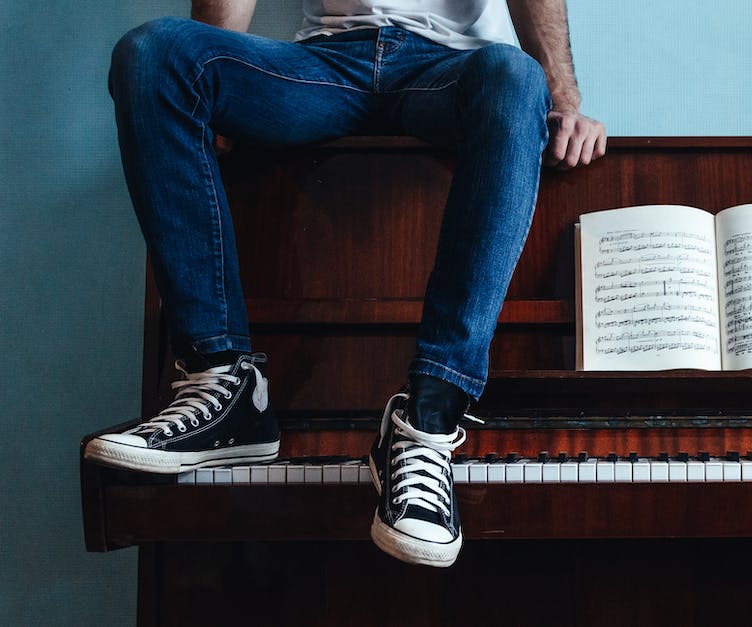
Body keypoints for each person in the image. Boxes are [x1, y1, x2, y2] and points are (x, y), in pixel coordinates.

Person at [83, 0, 606, 568]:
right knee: (155, 53)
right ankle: (224, 387)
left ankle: (429, 421)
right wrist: (203, 102)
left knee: (515, 78)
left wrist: (563, 101)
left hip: (455, 70)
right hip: (322, 66)